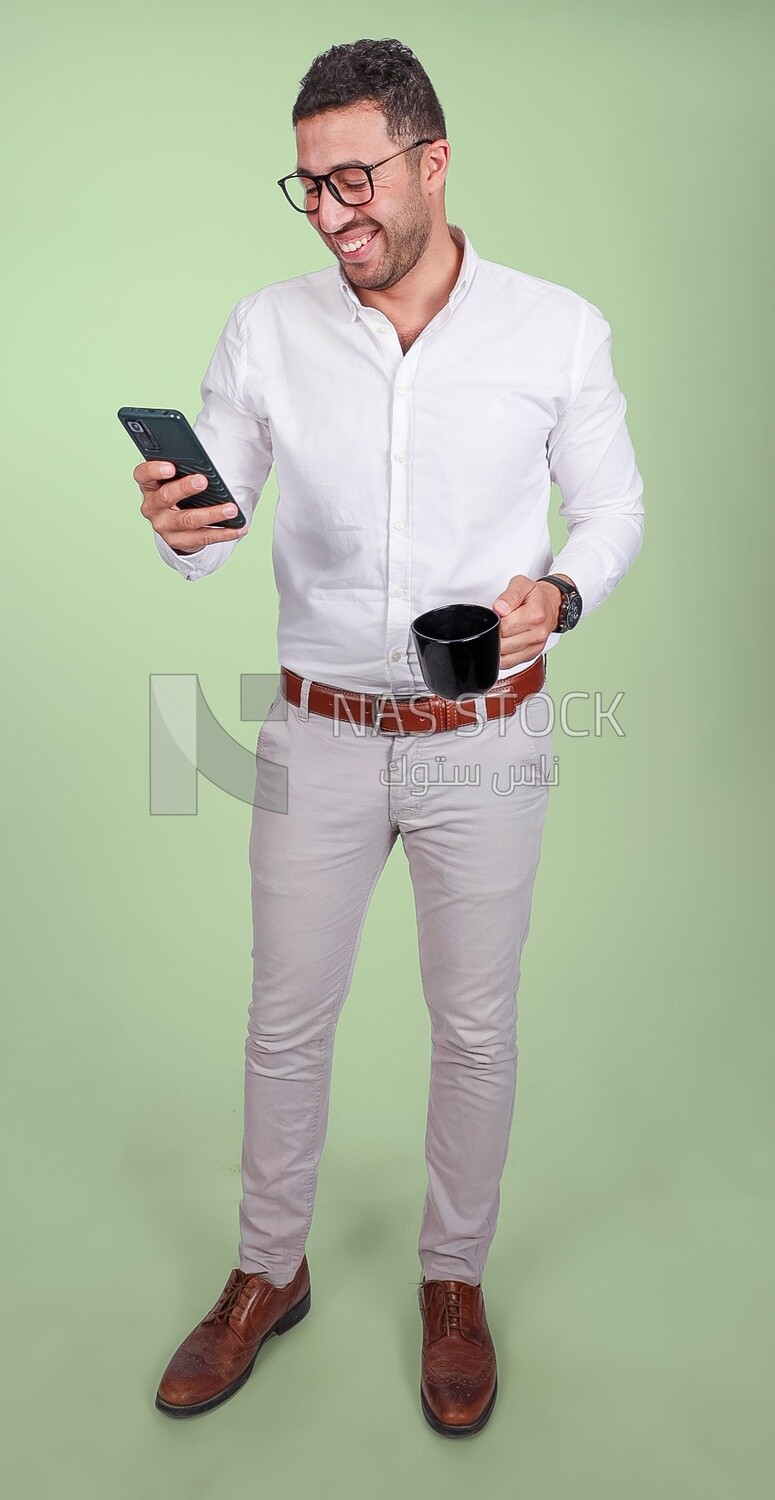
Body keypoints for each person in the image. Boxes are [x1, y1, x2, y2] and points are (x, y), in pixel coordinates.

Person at [136, 38, 644, 1437]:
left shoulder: (558, 331)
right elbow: (217, 512)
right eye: (307, 187)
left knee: (475, 1027)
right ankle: (266, 1270)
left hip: (489, 732)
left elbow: (614, 510)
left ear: (432, 161)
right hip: (315, 735)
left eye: (356, 177)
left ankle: (453, 1282)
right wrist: (184, 520)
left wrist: (566, 590)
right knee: (285, 1022)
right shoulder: (268, 326)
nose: (334, 211)